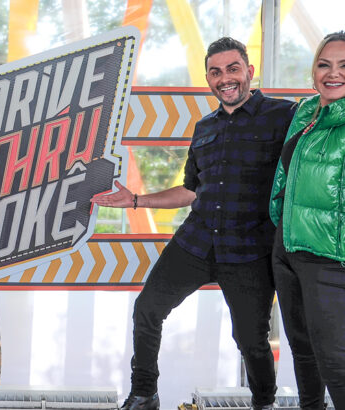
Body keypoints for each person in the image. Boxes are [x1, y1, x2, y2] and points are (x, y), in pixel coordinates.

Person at [91, 37, 296, 410]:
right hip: (196, 242)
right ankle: (144, 394)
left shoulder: (283, 115)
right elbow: (191, 191)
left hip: (250, 250)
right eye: (216, 72)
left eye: (233, 69)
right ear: (208, 80)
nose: (225, 78)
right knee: (147, 309)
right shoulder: (204, 128)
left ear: (249, 72)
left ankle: (264, 403)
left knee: (250, 339)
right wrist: (135, 200)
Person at [270, 31, 345, 410]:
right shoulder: (306, 111)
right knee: (302, 350)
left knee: (337, 363)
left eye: (344, 66)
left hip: (329, 256)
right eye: (324, 64)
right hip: (287, 246)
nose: (333, 74)